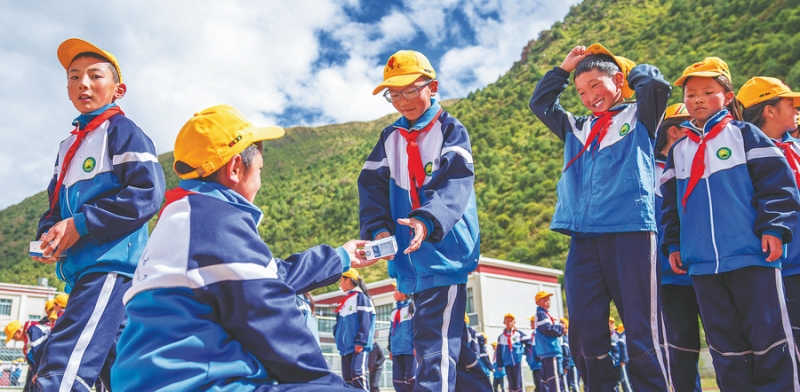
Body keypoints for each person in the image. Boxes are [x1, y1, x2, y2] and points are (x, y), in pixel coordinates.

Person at [111, 104, 369, 391]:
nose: (259, 180)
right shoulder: (216, 222)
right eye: (259, 169)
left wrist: (341, 257)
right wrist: (325, 383)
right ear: (235, 168)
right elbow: (269, 312)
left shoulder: (184, 216)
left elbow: (270, 277)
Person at [529, 42, 672, 391]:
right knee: (583, 332)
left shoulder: (640, 116)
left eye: (595, 84)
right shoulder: (575, 128)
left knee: (641, 330)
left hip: (630, 231)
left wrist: (617, 62)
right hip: (583, 237)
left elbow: (655, 85)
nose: (588, 95)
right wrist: (565, 69)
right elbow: (540, 103)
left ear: (619, 81)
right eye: (580, 91)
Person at [31, 38, 166, 391]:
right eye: (74, 77)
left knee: (63, 363)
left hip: (110, 264)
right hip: (81, 268)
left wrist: (82, 224)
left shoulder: (124, 132)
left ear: (118, 89)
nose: (83, 84)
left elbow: (146, 193)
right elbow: (55, 205)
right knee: (122, 369)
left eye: (94, 75)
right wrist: (52, 236)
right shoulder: (68, 147)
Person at [661, 57, 800, 391]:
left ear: (727, 96)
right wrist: (674, 245)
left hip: (752, 256)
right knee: (725, 349)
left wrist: (774, 228)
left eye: (708, 91)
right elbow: (669, 207)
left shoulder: (746, 135)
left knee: (770, 341)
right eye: (691, 93)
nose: (697, 99)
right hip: (704, 267)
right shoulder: (678, 152)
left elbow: (777, 186)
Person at [358, 50, 489, 391]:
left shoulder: (450, 130)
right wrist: (379, 231)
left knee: (433, 346)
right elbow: (370, 189)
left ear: (433, 87)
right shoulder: (390, 138)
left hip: (443, 251)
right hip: (408, 257)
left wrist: (426, 221)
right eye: (394, 94)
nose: (403, 101)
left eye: (411, 91)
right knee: (444, 341)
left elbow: (455, 183)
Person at [738, 76, 800, 370]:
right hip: (781, 266)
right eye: (790, 102)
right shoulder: (745, 157)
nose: (796, 108)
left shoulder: (796, 149)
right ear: (769, 111)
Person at [655, 103, 703, 392]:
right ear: (675, 131)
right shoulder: (648, 169)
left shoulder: (706, 158)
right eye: (692, 125)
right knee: (681, 352)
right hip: (670, 276)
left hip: (710, 268)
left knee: (729, 344)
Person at [335, 269, 376, 390]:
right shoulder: (345, 300)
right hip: (345, 347)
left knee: (357, 375)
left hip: (357, 346)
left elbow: (365, 321)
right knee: (347, 379)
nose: (340, 284)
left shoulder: (361, 297)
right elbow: (338, 324)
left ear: (348, 280)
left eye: (341, 281)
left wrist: (360, 342)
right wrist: (337, 337)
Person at [5, 320, 49, 392]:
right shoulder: (28, 338)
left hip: (42, 371)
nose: (15, 340)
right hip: (37, 371)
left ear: (18, 331)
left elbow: (39, 353)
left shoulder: (33, 331)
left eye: (13, 337)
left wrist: (39, 371)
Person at [533, 292, 564, 392]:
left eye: (548, 300)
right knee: (555, 380)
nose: (548, 302)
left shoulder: (544, 314)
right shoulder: (541, 314)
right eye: (544, 300)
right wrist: (559, 328)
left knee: (547, 380)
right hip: (550, 349)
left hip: (546, 351)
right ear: (538, 302)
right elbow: (547, 329)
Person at [389, 285, 415, 392]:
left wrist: (416, 346)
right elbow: (391, 332)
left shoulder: (412, 308)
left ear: (404, 292)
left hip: (410, 351)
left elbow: (417, 329)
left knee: (412, 380)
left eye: (396, 290)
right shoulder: (394, 311)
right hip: (396, 351)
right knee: (397, 381)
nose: (394, 293)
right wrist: (390, 348)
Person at [496, 313, 527, 392]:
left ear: (514, 323)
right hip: (507, 362)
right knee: (510, 382)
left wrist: (522, 352)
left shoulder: (518, 334)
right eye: (507, 321)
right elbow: (498, 351)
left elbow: (529, 343)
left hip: (517, 362)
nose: (509, 323)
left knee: (518, 382)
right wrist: (499, 363)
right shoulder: (501, 337)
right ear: (504, 322)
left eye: (511, 321)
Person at [560, 318, 578, 392]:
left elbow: (568, 352)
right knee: (565, 384)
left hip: (571, 364)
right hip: (563, 365)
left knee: (573, 383)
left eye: (562, 323)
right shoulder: (560, 338)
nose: (561, 325)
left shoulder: (570, 337)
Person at [525, 317, 543, 392]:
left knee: (541, 384)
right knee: (537, 384)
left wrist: (538, 356)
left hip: (539, 364)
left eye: (532, 322)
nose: (530, 324)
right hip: (534, 365)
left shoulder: (539, 333)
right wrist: (529, 359)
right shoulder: (532, 334)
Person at [615, 324, 631, 392]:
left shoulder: (621, 337)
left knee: (625, 380)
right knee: (622, 380)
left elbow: (623, 350)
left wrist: (623, 360)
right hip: (621, 362)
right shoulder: (623, 336)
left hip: (622, 362)